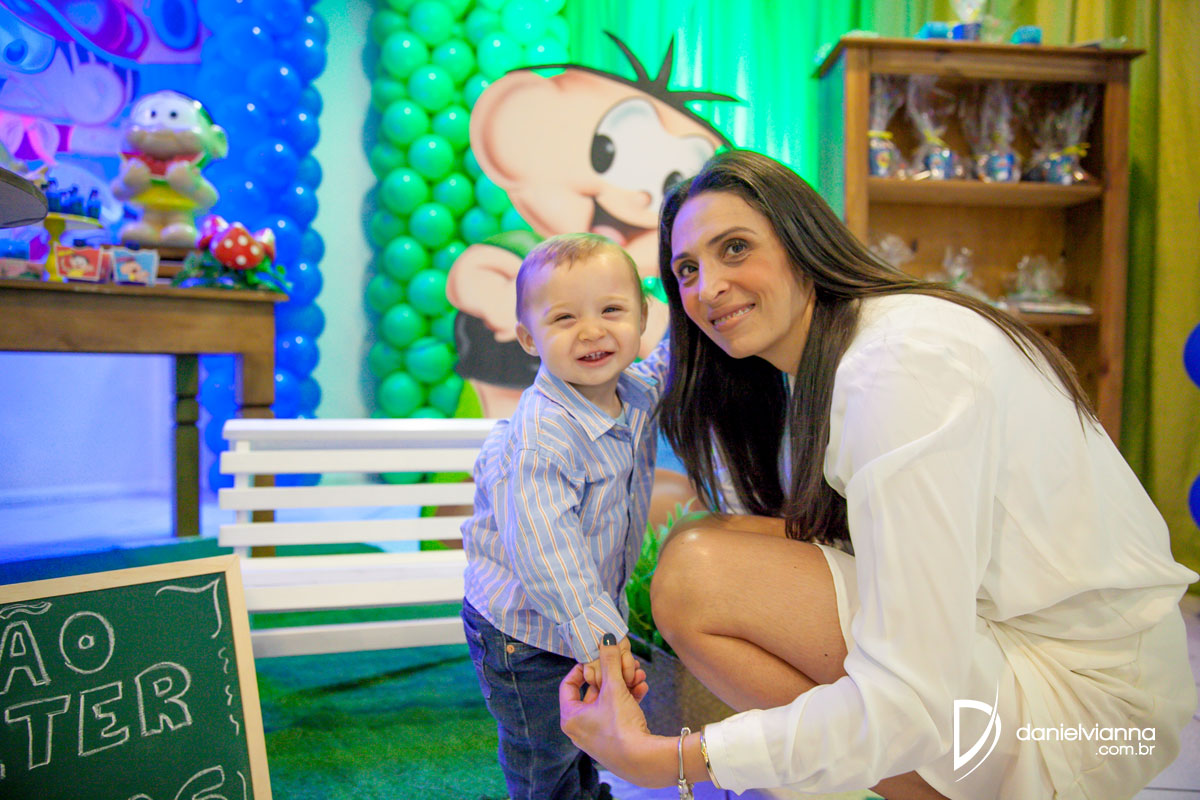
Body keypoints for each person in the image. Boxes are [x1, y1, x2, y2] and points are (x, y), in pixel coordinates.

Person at [559, 149, 1198, 800]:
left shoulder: (896, 369)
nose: (708, 288)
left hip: (1088, 710)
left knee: (698, 577)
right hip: (1030, 655)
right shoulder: (844, 352)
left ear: (802, 242)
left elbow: (910, 694)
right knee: (706, 542)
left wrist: (673, 760)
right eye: (687, 270)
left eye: (735, 248)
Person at [461, 232, 664, 800]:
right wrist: (604, 642)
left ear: (643, 320)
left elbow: (666, 367)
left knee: (584, 738)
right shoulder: (541, 440)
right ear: (529, 337)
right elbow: (547, 557)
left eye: (612, 311)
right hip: (523, 633)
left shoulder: (633, 393)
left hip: (579, 620)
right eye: (565, 318)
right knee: (544, 750)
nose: (592, 331)